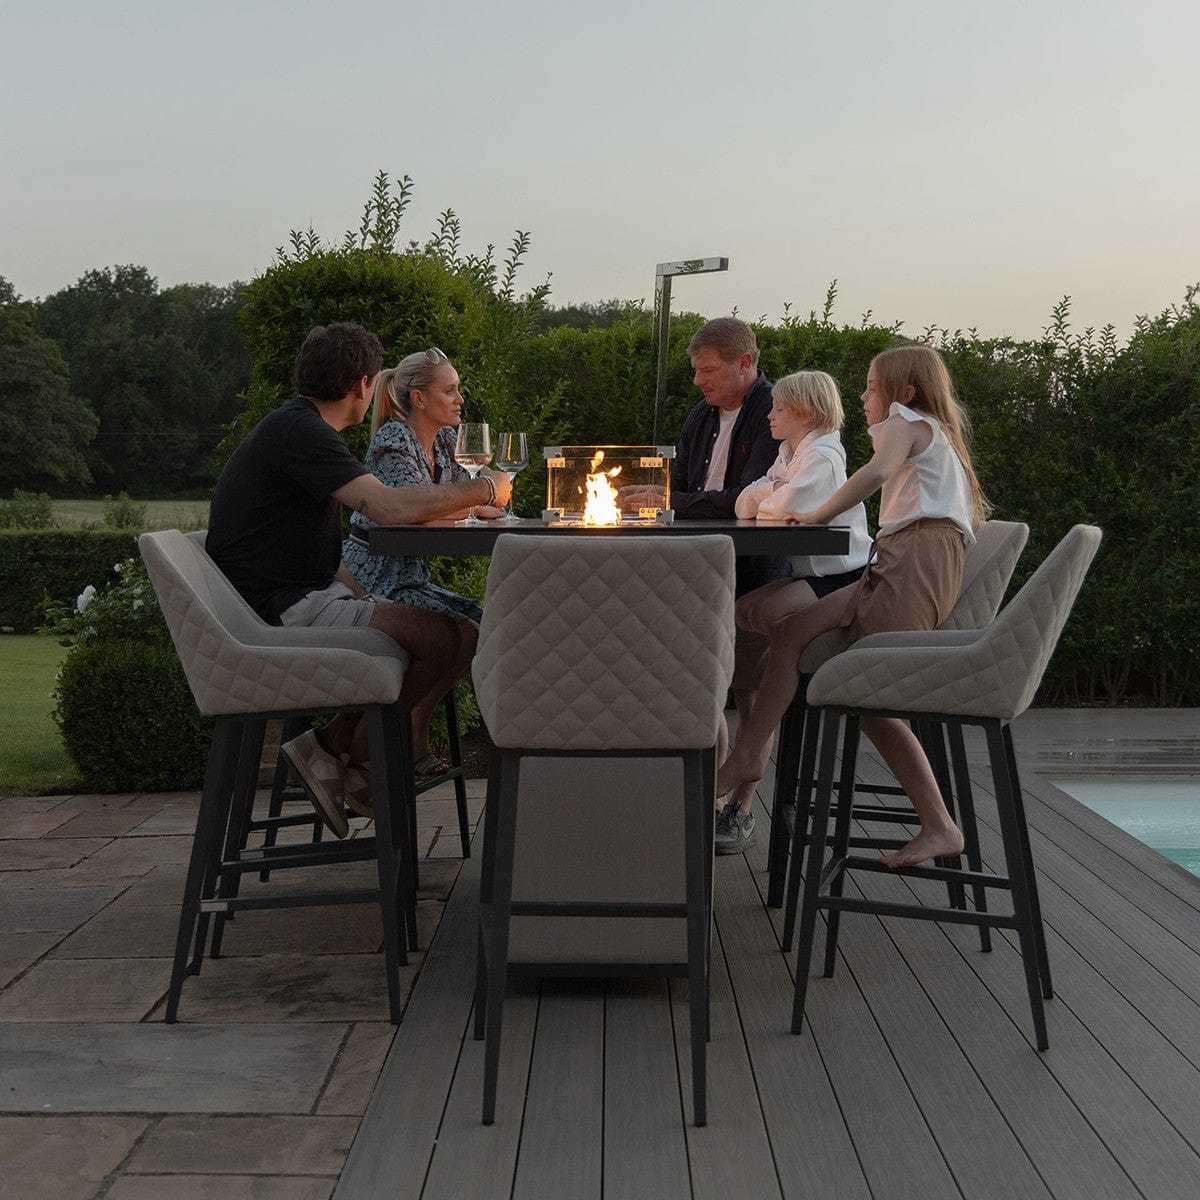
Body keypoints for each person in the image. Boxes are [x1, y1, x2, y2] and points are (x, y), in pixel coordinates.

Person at [206, 323, 511, 838]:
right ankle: (352, 757)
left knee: (458, 632)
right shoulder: (303, 434)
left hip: (294, 597)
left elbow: (327, 551)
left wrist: (364, 596)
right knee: (442, 637)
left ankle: (337, 751)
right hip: (279, 611)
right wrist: (486, 488)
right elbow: (390, 509)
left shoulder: (299, 430)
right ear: (363, 385)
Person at [715, 344, 990, 868]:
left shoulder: (906, 420)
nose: (862, 397)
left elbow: (877, 472)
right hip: (896, 557)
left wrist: (819, 514)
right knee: (793, 631)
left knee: (868, 694)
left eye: (871, 387)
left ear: (904, 392)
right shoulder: (930, 431)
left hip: (913, 561)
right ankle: (749, 754)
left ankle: (939, 825)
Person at [618, 316, 788, 836]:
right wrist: (654, 497)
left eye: (707, 370)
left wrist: (671, 500)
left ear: (745, 363)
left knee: (750, 689)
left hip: (756, 568)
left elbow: (748, 498)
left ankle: (741, 805)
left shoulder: (776, 413)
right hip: (697, 567)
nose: (697, 381)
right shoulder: (701, 415)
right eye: (695, 370)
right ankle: (708, 798)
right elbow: (683, 485)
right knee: (703, 680)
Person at [713, 370, 872, 853]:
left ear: (806, 413)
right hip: (816, 574)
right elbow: (750, 500)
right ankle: (760, 692)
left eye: (779, 408)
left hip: (842, 577)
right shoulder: (790, 453)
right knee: (743, 614)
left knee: (753, 621)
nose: (769, 414)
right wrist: (771, 495)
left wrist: (770, 496)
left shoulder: (823, 457)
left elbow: (778, 508)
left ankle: (764, 707)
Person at [342, 346, 498, 633]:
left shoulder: (446, 439)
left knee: (484, 621)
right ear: (419, 399)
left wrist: (482, 491)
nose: (460, 399)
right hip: (372, 574)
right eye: (449, 390)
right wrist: (476, 502)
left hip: (410, 575)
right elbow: (416, 510)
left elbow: (489, 488)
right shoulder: (394, 440)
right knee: (466, 631)